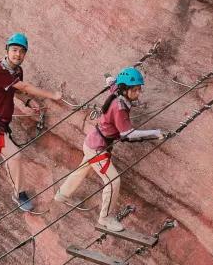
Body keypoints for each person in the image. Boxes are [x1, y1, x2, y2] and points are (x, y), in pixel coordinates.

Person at [53, 67, 163, 232]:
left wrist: (109, 78)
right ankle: (104, 218)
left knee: (83, 169)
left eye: (139, 89)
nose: (139, 93)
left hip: (92, 142)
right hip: (97, 149)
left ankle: (62, 195)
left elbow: (112, 83)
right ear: (125, 89)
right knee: (113, 181)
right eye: (135, 90)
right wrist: (155, 133)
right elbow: (127, 134)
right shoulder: (119, 108)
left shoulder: (118, 91)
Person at [0, 33, 63, 211]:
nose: (17, 54)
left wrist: (29, 102)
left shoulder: (17, 71)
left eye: (21, 51)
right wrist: (52, 95)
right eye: (14, 50)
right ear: (7, 50)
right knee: (14, 155)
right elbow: (24, 87)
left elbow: (17, 90)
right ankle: (19, 194)